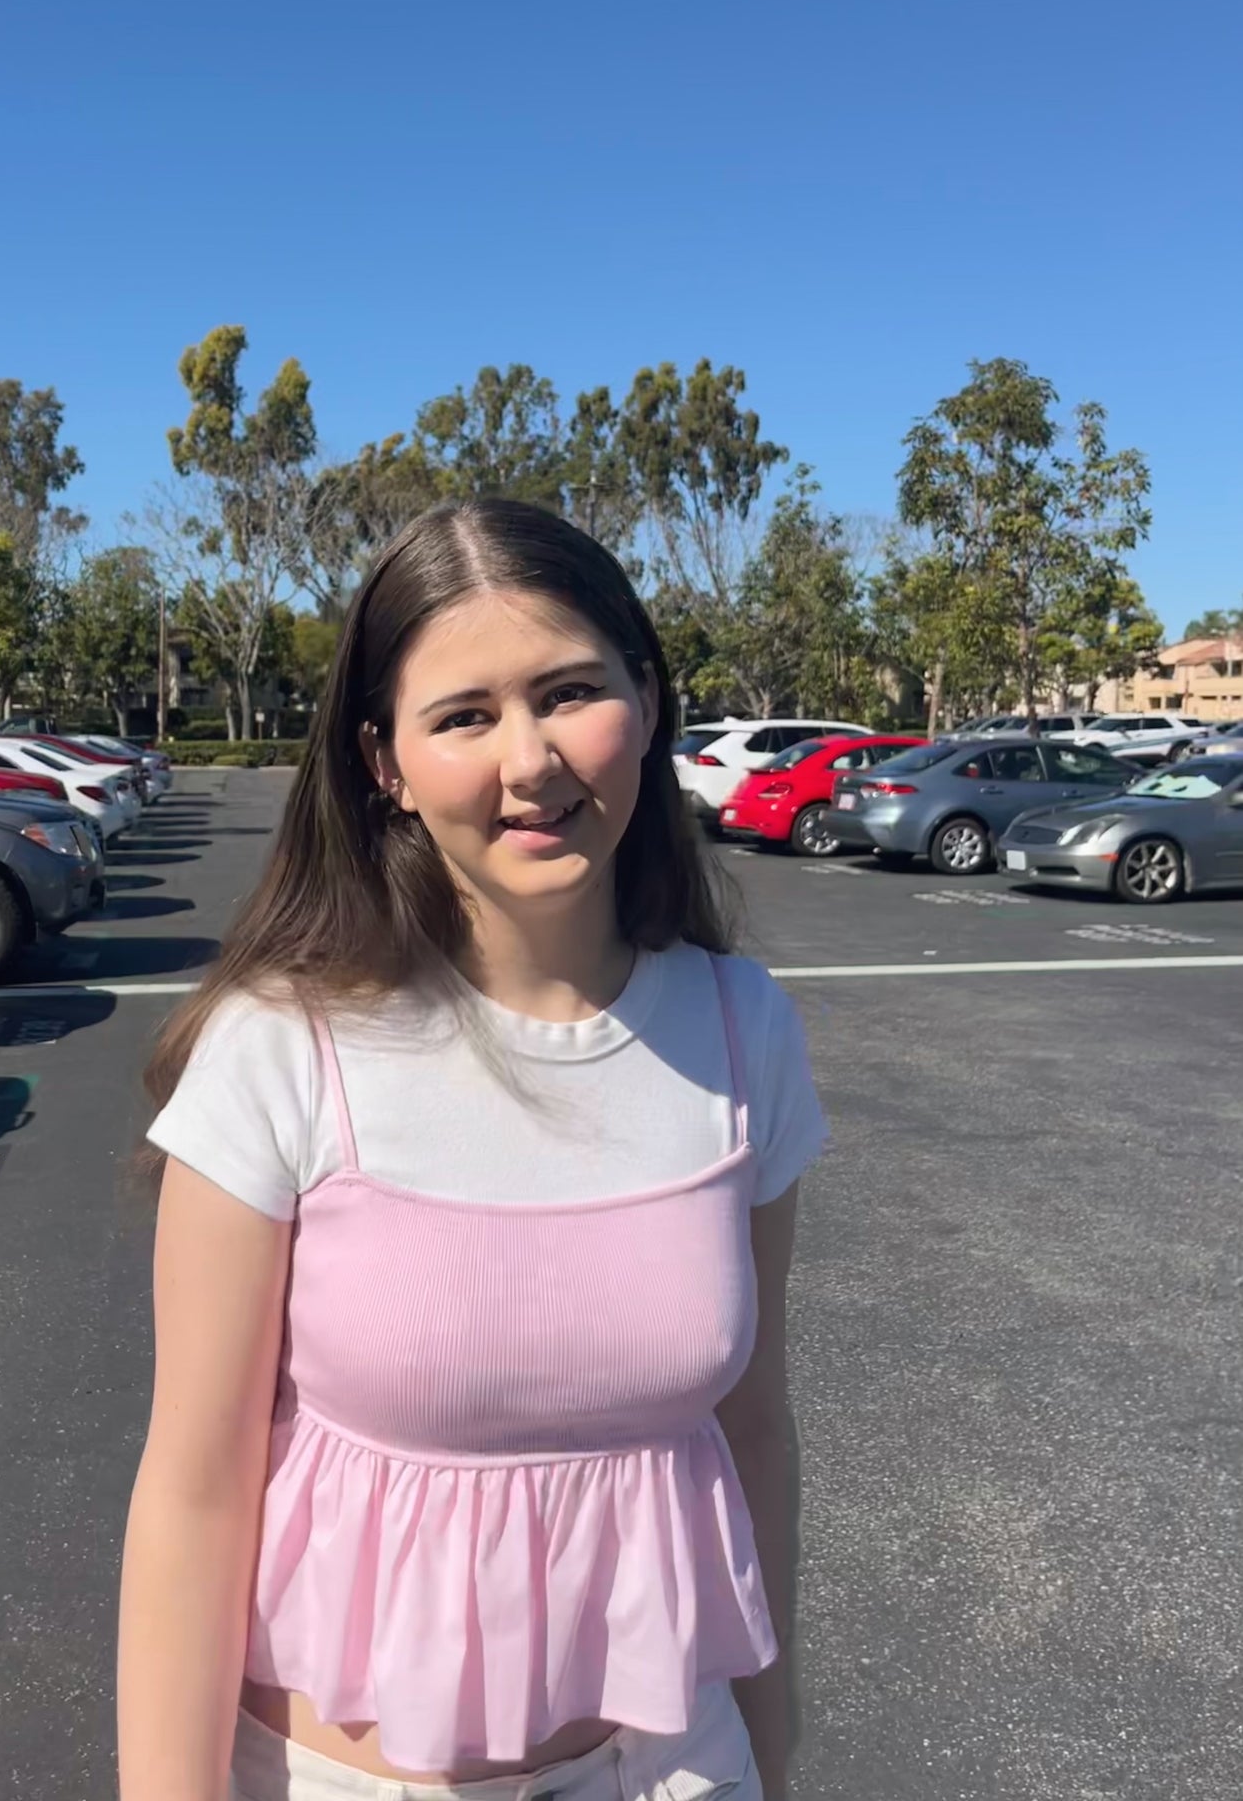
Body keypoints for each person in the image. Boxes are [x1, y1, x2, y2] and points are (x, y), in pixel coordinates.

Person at [117, 498, 828, 1801]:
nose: (531, 761)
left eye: (568, 692)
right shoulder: (281, 1047)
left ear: (648, 702)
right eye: (464, 715)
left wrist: (774, 1760)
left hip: (672, 1767)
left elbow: (755, 1430)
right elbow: (193, 1491)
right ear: (382, 761)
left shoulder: (742, 1032)